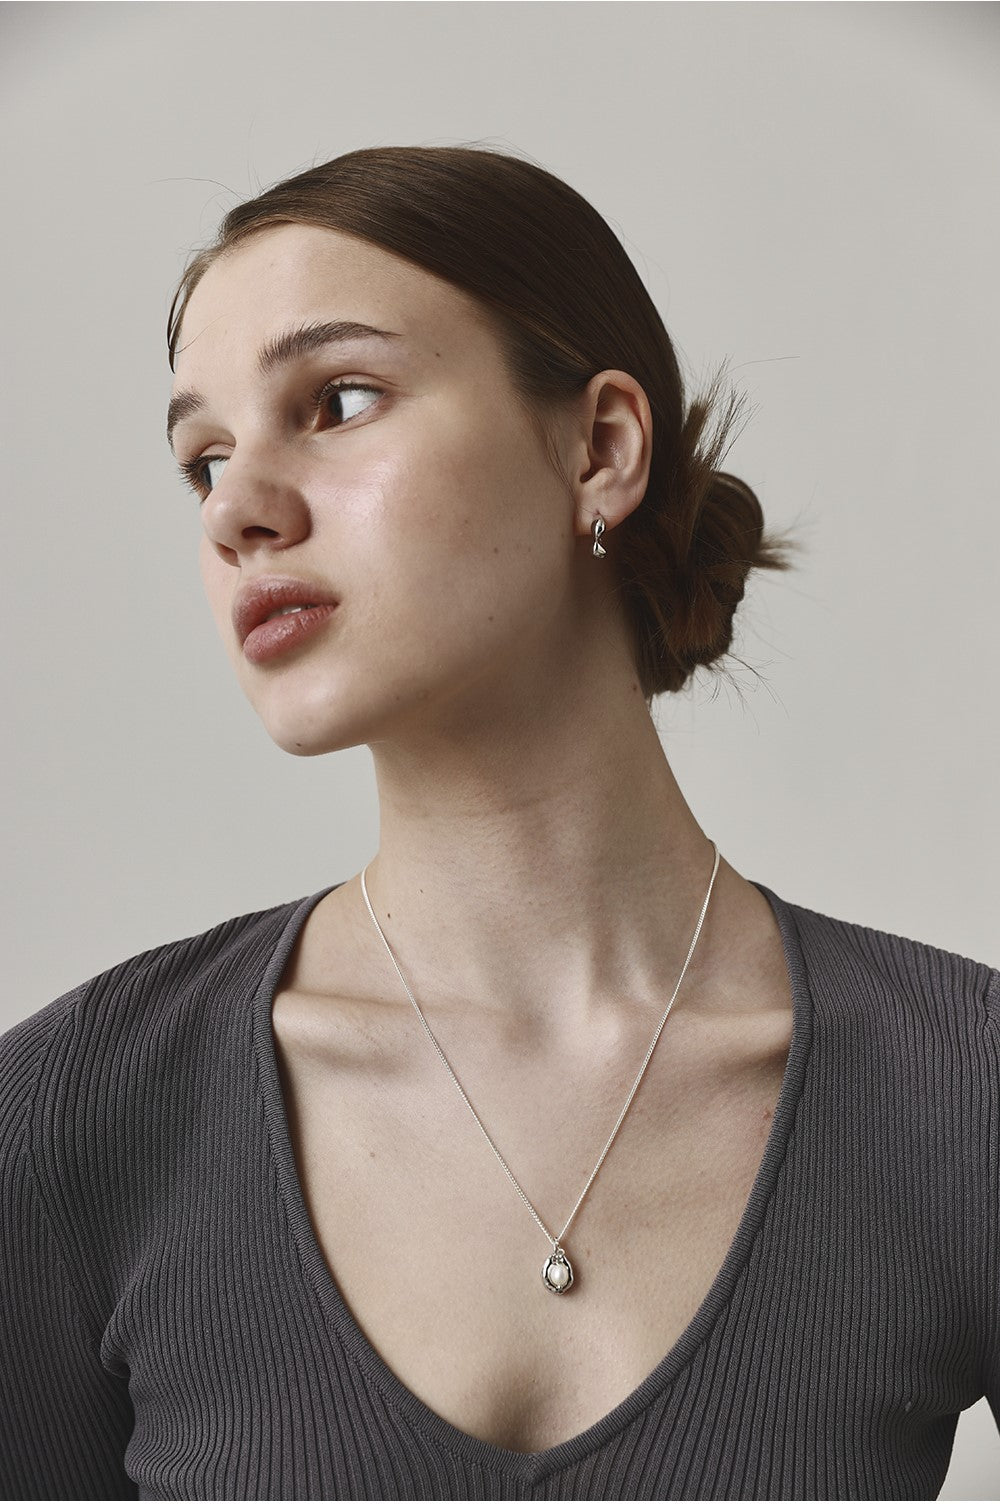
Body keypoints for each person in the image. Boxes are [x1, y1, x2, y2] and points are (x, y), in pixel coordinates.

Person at [1, 144, 996, 1503]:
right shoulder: (77, 1118)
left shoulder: (958, 1092)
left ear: (600, 448)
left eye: (338, 401)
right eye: (204, 460)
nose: (237, 511)